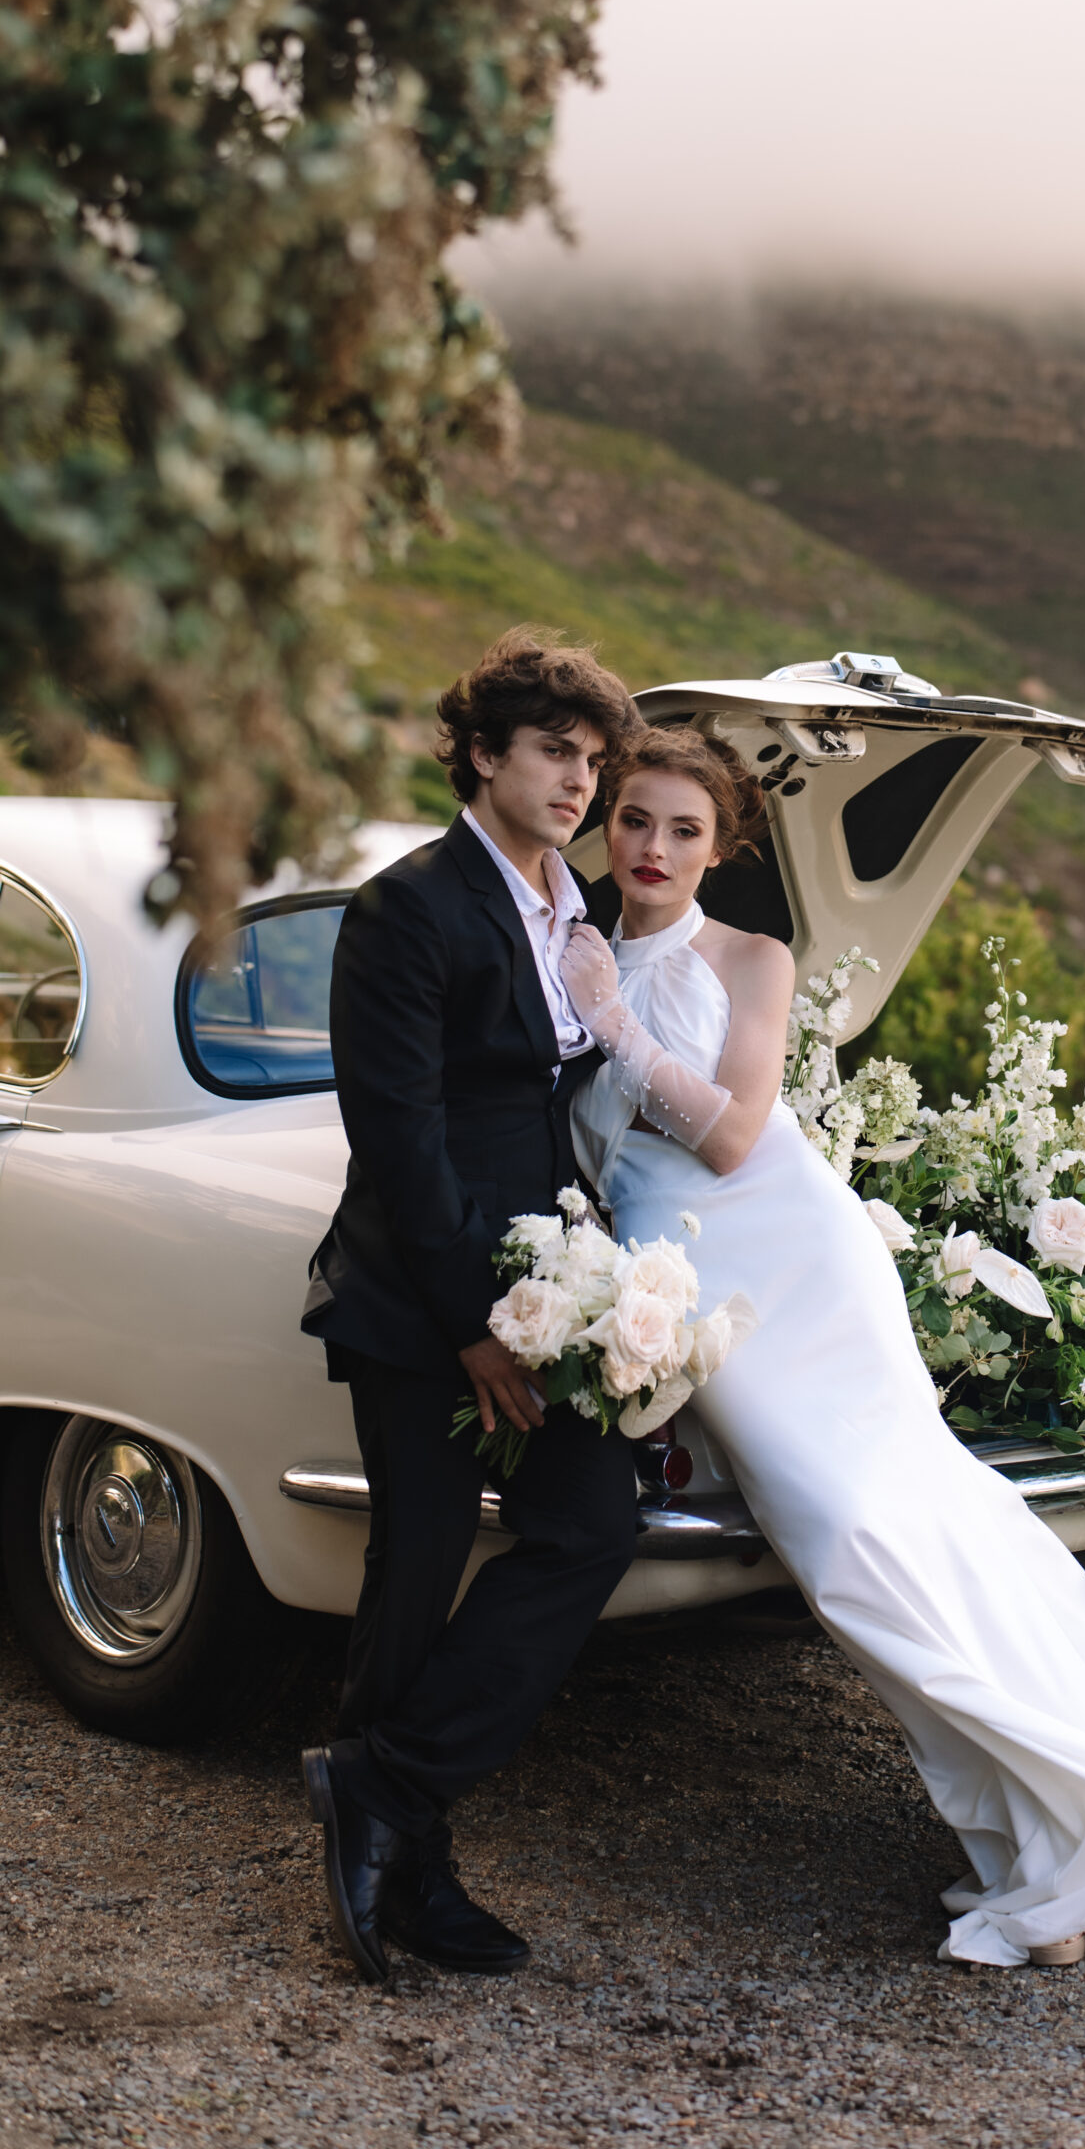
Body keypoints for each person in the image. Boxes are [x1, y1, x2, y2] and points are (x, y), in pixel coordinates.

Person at [562, 726, 1085, 1968]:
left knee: (885, 1528)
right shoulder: (563, 946)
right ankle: (1038, 1845)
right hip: (679, 1285)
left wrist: (609, 1020)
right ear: (607, 824)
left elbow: (734, 1136)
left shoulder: (751, 954)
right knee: (844, 1555)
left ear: (721, 844)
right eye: (635, 820)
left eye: (685, 829)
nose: (654, 848)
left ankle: (1070, 1842)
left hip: (794, 1260)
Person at [299, 628, 642, 1984]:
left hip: (553, 1289)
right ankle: (408, 1871)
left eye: (593, 762)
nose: (577, 781)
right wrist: (467, 1325)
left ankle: (379, 1787)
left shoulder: (583, 910)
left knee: (590, 1527)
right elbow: (398, 1135)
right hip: (416, 1291)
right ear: (485, 752)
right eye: (556, 753)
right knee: (416, 1567)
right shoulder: (408, 909)